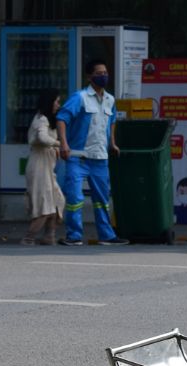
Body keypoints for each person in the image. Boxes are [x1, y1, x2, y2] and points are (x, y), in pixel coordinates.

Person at [55, 58, 128, 246]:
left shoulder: (110, 100)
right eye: (99, 73)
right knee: (74, 198)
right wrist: (64, 144)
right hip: (77, 157)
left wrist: (112, 143)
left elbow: (111, 122)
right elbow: (62, 118)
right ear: (89, 76)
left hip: (100, 158)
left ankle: (106, 235)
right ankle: (74, 236)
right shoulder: (79, 97)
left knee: (102, 199)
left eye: (105, 73)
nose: (103, 76)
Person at [21, 89, 65, 246]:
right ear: (49, 102)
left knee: (56, 201)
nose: (58, 105)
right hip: (39, 167)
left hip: (47, 167)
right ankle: (28, 238)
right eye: (57, 101)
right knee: (45, 205)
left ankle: (49, 236)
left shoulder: (47, 119)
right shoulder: (41, 119)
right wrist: (60, 144)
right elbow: (42, 137)